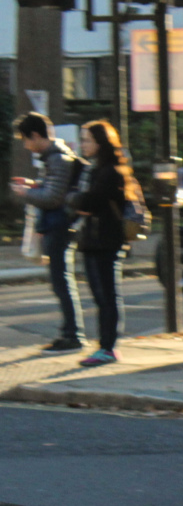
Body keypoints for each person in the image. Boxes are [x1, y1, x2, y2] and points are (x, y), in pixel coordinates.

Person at [10, 112, 85, 354]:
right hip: (57, 226)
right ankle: (70, 332)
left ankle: (72, 335)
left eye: (25, 139)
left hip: (59, 226)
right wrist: (34, 186)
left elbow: (54, 198)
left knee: (61, 281)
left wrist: (25, 193)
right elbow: (54, 189)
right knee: (60, 280)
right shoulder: (54, 157)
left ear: (35, 135)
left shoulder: (57, 158)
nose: (26, 145)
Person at [71, 120, 141, 367]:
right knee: (101, 297)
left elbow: (90, 201)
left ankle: (108, 348)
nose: (83, 144)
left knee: (107, 296)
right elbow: (85, 202)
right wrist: (80, 202)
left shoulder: (111, 171)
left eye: (88, 140)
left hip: (106, 240)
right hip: (93, 240)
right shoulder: (95, 168)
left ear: (101, 143)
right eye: (82, 139)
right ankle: (104, 346)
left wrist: (76, 200)